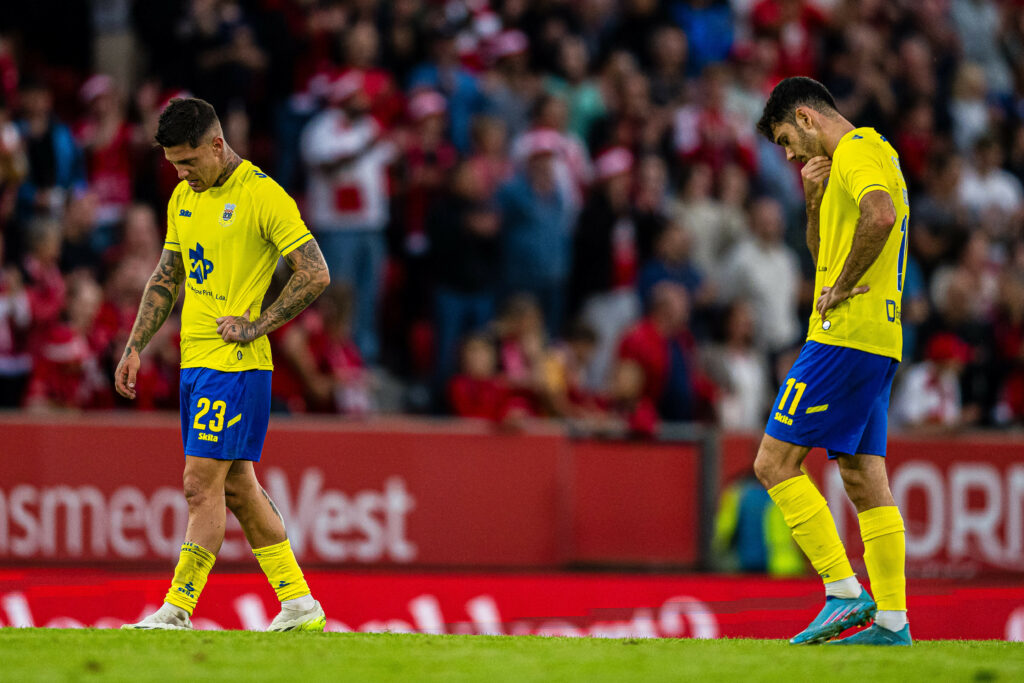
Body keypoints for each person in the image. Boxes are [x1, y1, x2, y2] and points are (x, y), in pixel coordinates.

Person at [114, 98, 330, 632]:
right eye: (173, 165)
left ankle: (177, 608)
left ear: (217, 144)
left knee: (198, 485)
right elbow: (168, 276)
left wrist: (258, 325)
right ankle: (300, 603)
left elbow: (315, 272)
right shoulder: (184, 198)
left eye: (188, 162)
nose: (182, 174)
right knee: (237, 488)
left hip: (234, 364)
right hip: (196, 362)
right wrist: (136, 343)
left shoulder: (262, 195)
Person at [753, 77, 912, 646]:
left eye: (785, 139)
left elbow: (881, 214)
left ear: (806, 116)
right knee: (864, 477)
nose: (790, 153)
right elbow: (826, 256)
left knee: (773, 463)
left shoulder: (857, 152)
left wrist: (843, 287)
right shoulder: (864, 155)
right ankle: (892, 623)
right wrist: (814, 199)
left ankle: (843, 592)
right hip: (880, 340)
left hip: (843, 337)